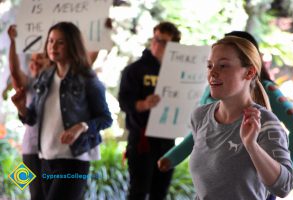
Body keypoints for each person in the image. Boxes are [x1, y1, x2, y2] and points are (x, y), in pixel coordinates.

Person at [159, 35, 293, 199]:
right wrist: (171, 158)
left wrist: (251, 146)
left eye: (223, 66)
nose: (213, 73)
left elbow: (284, 187)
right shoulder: (200, 116)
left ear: (249, 72)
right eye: (210, 66)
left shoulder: (264, 122)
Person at [11, 22, 112, 200]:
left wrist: (81, 126)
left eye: (60, 42)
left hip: (75, 159)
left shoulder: (87, 78)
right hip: (45, 158)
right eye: (50, 41)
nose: (53, 46)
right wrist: (21, 107)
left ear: (72, 45)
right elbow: (31, 118)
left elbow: (105, 119)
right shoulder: (44, 77)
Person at [118, 21, 181, 200]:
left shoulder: (178, 72)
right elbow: (124, 102)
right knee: (138, 191)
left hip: (167, 139)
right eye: (156, 39)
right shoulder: (135, 70)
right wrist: (144, 104)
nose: (157, 44)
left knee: (160, 192)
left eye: (164, 42)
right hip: (142, 140)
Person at [7, 24, 50, 200]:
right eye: (32, 60)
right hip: (31, 149)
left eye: (40, 58)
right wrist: (13, 42)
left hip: (54, 150)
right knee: (37, 195)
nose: (35, 63)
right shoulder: (31, 83)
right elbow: (15, 72)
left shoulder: (63, 83)